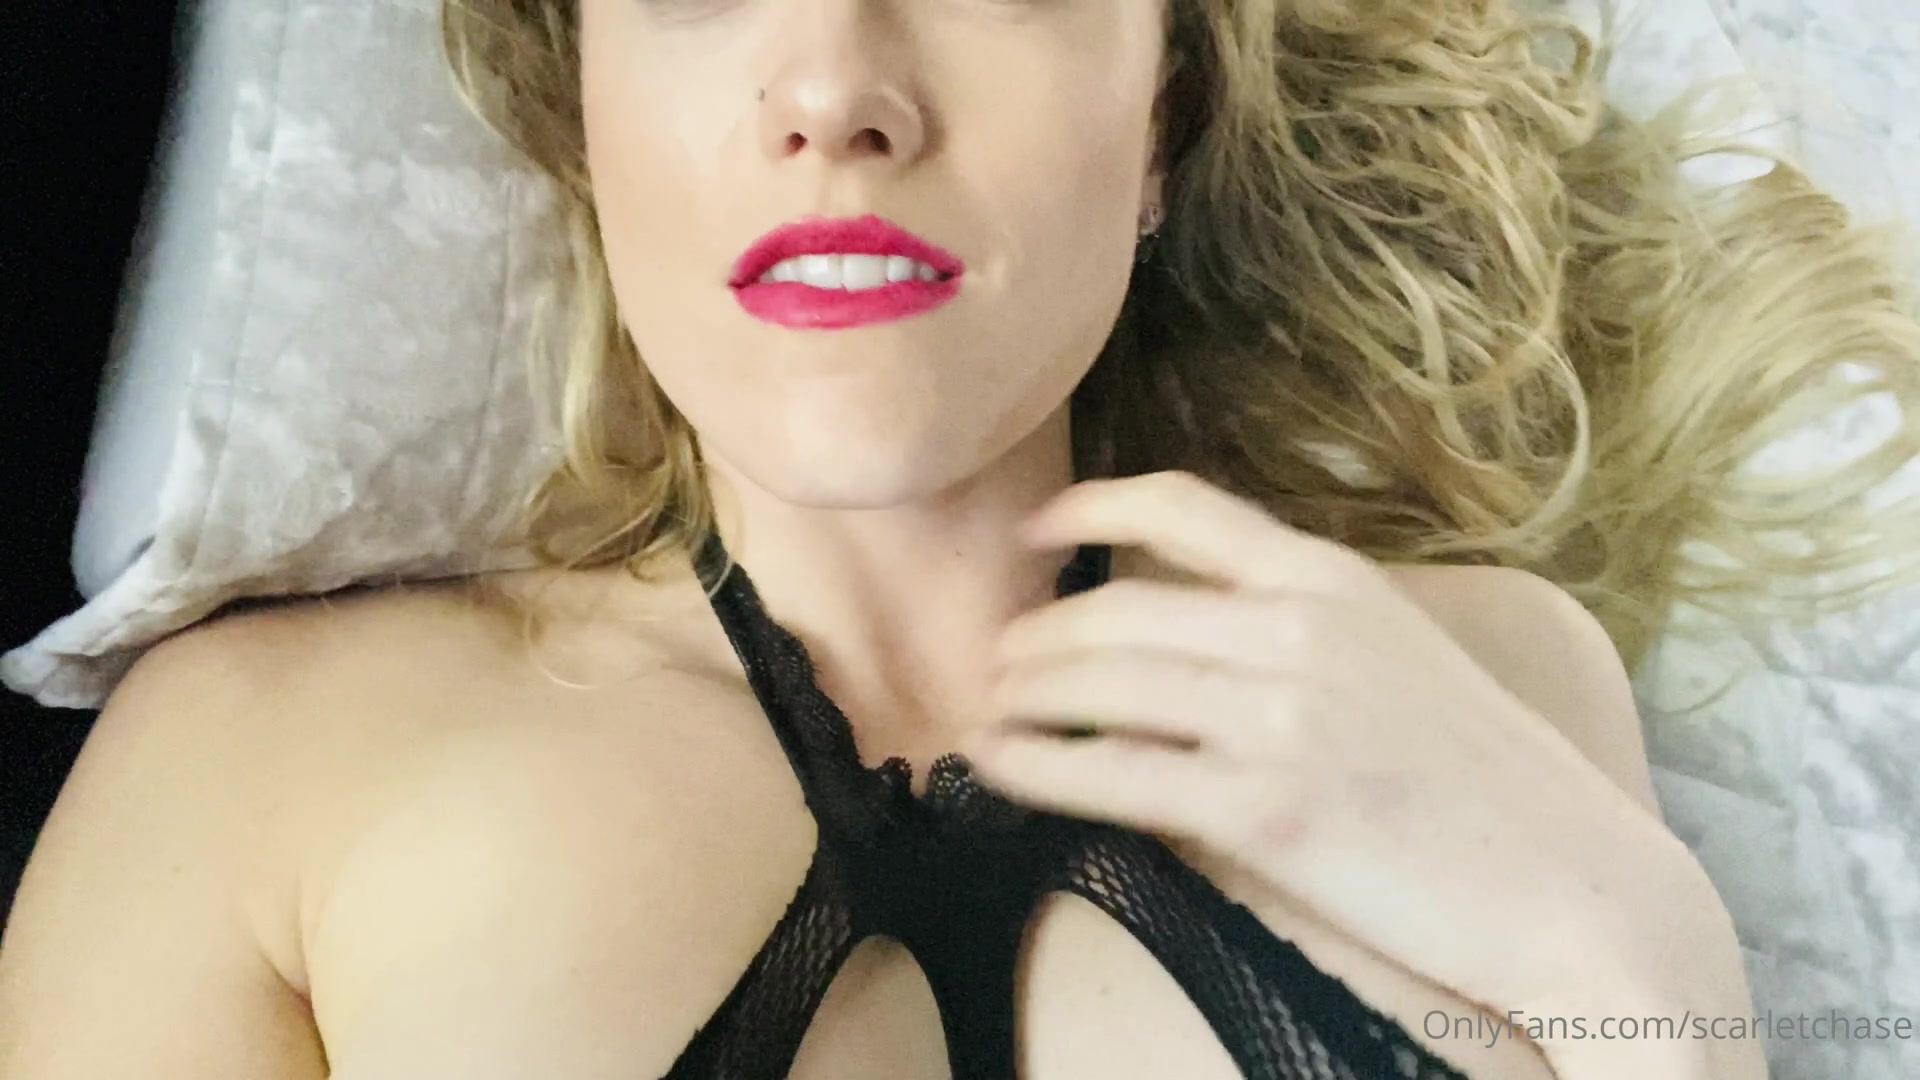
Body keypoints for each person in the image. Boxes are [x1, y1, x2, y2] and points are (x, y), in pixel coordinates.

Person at [4, 1, 1918, 1077]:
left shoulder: (1485, 686)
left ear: (1163, 115)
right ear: (581, 104)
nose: (836, 90)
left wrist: (1649, 971)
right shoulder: (259, 771)